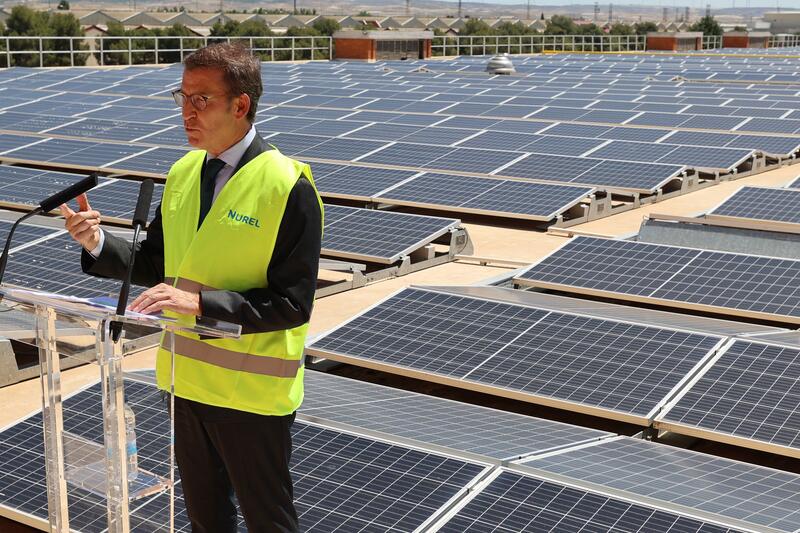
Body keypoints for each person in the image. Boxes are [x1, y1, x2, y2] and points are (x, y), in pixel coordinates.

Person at [59, 42, 323, 533]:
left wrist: (198, 303)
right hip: (185, 383)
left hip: (251, 396)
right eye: (182, 96)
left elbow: (292, 304)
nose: (186, 111)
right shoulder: (183, 173)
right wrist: (97, 242)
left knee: (268, 522)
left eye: (201, 99)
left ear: (240, 105)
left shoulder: (287, 186)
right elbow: (156, 263)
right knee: (206, 520)